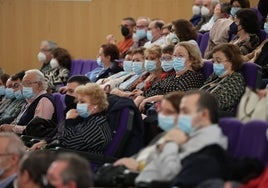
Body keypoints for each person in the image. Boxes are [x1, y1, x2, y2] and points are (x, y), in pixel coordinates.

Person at [135, 90, 227, 184]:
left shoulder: (209, 147)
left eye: (185, 112)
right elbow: (150, 163)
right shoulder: (187, 134)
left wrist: (170, 144)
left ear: (204, 115)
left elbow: (167, 175)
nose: (179, 117)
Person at [114, 91, 184, 171]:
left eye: (168, 112)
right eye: (161, 109)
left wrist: (138, 167)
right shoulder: (161, 136)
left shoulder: (182, 143)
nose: (160, 114)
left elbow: (166, 172)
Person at [135, 41, 205, 111]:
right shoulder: (171, 76)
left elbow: (178, 98)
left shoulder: (194, 77)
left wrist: (154, 98)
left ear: (191, 60)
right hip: (148, 107)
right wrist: (141, 97)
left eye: (180, 56)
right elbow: (152, 89)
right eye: (174, 56)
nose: (176, 58)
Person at [30, 75, 90, 151]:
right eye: (66, 91)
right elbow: (58, 130)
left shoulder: (84, 114)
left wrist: (70, 120)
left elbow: (70, 142)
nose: (67, 95)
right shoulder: (71, 108)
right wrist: (44, 142)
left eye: (71, 91)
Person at [58, 83, 112, 153]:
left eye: (82, 102)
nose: (78, 105)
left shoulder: (97, 125)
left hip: (83, 161)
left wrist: (69, 120)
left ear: (95, 106)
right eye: (78, 101)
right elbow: (60, 135)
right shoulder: (85, 118)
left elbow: (69, 143)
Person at [0, 69, 57, 134]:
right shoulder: (31, 100)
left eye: (27, 83)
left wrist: (13, 128)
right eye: (23, 84)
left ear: (40, 85)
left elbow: (37, 129)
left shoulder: (44, 100)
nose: (23, 88)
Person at [200, 43, 245, 114]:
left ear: (231, 62)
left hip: (216, 116)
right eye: (213, 61)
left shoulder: (236, 79)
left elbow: (218, 102)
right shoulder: (216, 75)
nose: (215, 64)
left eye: (218, 61)